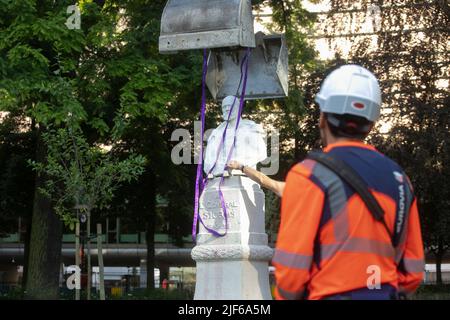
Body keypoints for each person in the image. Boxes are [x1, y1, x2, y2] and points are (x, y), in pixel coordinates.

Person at [230, 65, 425, 300]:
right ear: (371, 124)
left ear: (322, 118)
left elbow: (291, 274)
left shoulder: (309, 175)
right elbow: (413, 272)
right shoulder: (399, 180)